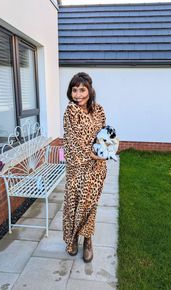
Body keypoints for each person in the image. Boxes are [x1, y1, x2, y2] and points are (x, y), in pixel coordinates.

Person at [62, 72, 107, 263]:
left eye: (82, 89)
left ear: (90, 90)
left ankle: (88, 240)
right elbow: (73, 140)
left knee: (89, 205)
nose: (78, 94)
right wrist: (90, 154)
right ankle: (72, 239)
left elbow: (104, 133)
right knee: (73, 204)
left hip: (97, 168)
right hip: (77, 167)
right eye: (74, 90)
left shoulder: (99, 110)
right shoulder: (70, 111)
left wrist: (106, 148)